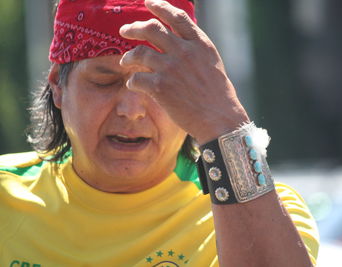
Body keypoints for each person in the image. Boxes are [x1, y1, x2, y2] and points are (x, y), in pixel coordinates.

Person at [0, 0, 319, 266]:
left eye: (158, 84)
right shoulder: (6, 196)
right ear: (57, 85)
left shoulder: (261, 210)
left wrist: (224, 121)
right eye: (105, 81)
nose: (131, 109)